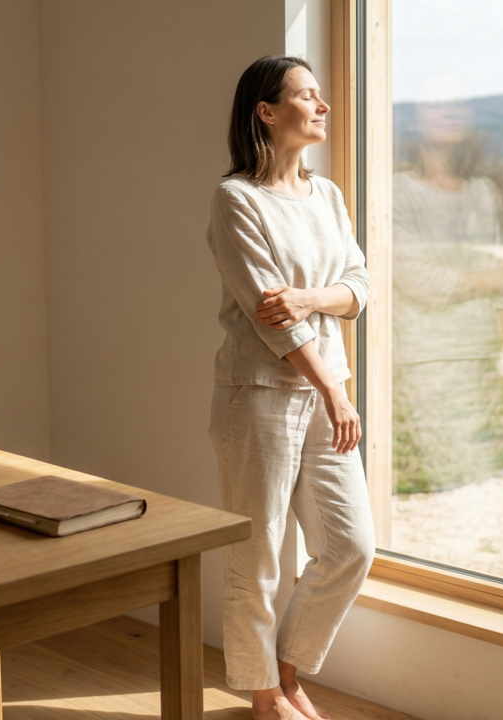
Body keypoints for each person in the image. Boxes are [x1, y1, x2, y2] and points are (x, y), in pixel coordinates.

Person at [206, 55, 373, 720]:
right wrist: (333, 389)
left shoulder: (328, 196)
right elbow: (267, 318)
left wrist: (309, 297)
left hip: (325, 390)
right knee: (260, 550)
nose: (323, 105)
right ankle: (265, 695)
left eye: (320, 94)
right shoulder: (236, 200)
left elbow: (358, 288)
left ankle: (286, 668)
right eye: (307, 95)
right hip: (260, 395)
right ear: (267, 112)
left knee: (350, 545)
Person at [391, 97, 503, 492]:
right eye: (435, 105)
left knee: (488, 475)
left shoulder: (484, 193)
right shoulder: (397, 191)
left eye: (458, 104)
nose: (449, 111)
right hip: (431, 355)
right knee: (455, 477)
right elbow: (414, 279)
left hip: (485, 351)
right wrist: (484, 281)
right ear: (415, 122)